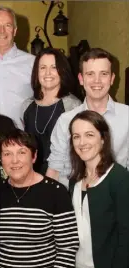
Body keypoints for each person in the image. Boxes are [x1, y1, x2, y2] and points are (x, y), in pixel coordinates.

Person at [0, 129, 79, 268]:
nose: (14, 160)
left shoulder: (56, 192)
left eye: (22, 152)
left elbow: (67, 248)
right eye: (7, 154)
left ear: (34, 156)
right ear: (1, 159)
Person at [47, 48, 129, 186]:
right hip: (73, 200)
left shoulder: (127, 117)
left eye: (103, 74)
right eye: (90, 74)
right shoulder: (65, 121)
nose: (97, 81)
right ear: (81, 79)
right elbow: (55, 170)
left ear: (112, 79)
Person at [68, 110, 129, 268]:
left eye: (89, 135)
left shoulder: (119, 178)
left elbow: (126, 237)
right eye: (76, 136)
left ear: (103, 139)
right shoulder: (75, 180)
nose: (82, 142)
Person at [22, 48, 81, 174]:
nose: (48, 73)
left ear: (62, 71)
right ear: (36, 72)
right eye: (42, 67)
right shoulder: (27, 106)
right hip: (32, 178)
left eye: (54, 67)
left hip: (63, 178)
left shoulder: (73, 106)